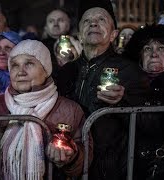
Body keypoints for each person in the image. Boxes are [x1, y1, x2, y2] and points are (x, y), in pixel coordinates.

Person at [56, 2, 149, 180]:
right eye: (87, 21)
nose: (93, 23)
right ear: (79, 36)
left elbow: (149, 124)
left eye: (101, 19)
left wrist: (122, 102)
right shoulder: (66, 71)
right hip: (70, 163)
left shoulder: (129, 71)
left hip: (108, 169)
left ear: (114, 34)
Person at [0, 39, 93, 179]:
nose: (20, 72)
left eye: (29, 64)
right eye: (14, 65)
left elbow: (85, 161)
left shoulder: (69, 109)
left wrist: (71, 156)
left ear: (45, 70)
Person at [123, 24, 164, 180]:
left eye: (161, 48)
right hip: (130, 168)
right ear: (139, 56)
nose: (154, 54)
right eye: (147, 49)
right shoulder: (125, 86)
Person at [41, 9, 73, 78]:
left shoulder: (77, 45)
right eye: (51, 21)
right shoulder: (38, 47)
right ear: (46, 27)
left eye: (60, 20)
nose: (55, 24)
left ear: (68, 24)